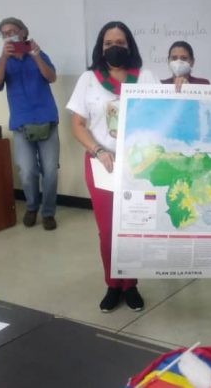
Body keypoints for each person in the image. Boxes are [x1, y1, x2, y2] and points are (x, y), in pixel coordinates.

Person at [66, 21, 158, 313]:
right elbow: (77, 124)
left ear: (129, 45)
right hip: (101, 163)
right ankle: (112, 284)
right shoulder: (88, 79)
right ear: (100, 47)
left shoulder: (145, 77)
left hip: (138, 165)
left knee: (133, 226)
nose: (114, 47)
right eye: (108, 43)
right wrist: (98, 150)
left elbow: (164, 112)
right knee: (107, 230)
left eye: (120, 42)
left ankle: (130, 285)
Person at [0, 17, 60, 231]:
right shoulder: (2, 61)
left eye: (12, 31)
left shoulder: (39, 54)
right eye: (4, 33)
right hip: (21, 124)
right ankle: (32, 207)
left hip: (47, 120)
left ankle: (48, 213)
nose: (9, 35)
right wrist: (4, 58)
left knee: (50, 171)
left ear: (23, 32)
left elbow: (51, 77)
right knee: (27, 171)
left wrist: (36, 55)